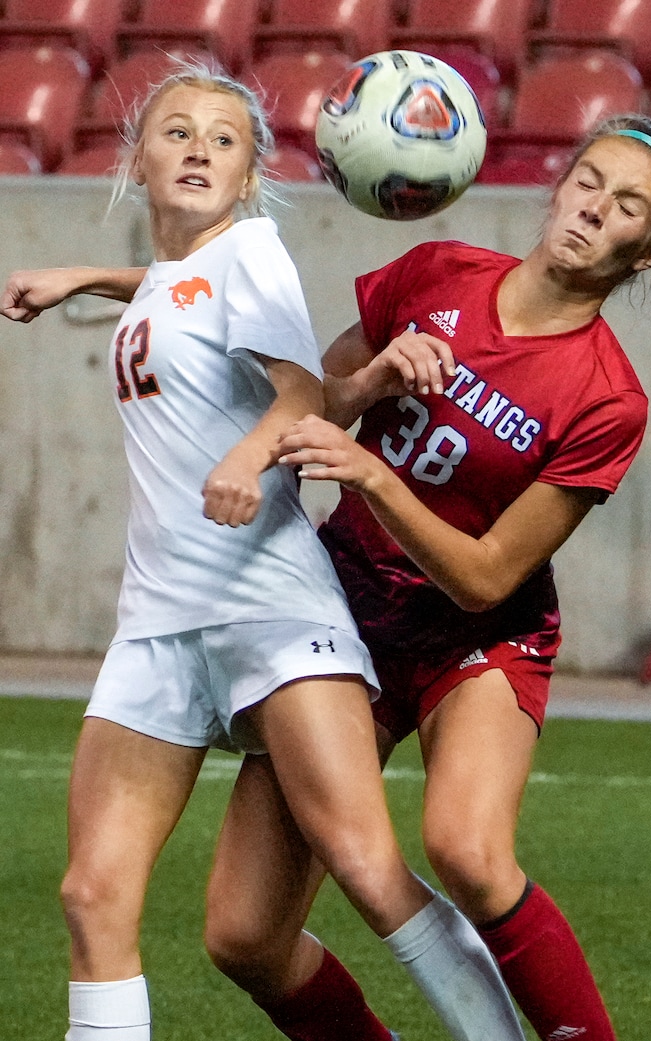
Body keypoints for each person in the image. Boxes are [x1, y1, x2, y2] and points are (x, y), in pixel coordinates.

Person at [0, 60, 527, 1041]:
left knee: (368, 870)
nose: (198, 147)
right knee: (90, 895)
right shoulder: (179, 276)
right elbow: (172, 292)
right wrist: (87, 277)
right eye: (175, 132)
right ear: (136, 159)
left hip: (272, 610)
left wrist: (251, 458)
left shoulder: (253, 250)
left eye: (223, 138)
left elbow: (301, 395)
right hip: (156, 626)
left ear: (247, 177)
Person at [271, 114, 651, 1041]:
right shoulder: (436, 275)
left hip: (479, 632)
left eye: (629, 206)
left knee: (466, 847)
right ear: (561, 181)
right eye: (591, 179)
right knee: (244, 936)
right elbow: (315, 401)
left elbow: (487, 574)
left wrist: (377, 475)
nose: (595, 208)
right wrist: (374, 381)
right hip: (340, 614)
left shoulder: (608, 397)